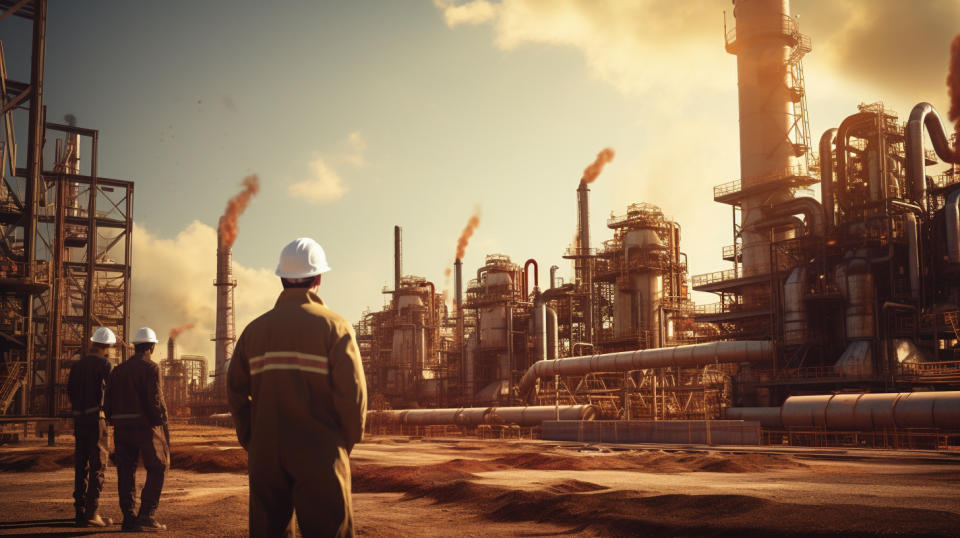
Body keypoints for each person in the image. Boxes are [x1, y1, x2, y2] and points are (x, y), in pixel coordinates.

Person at [228, 237, 367, 537]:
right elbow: (353, 396)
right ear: (319, 277)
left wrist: (253, 438)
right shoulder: (335, 327)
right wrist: (344, 443)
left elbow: (236, 391)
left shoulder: (254, 331)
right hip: (321, 450)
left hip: (266, 451)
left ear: (281, 279)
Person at [104, 326, 169, 532]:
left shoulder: (118, 370)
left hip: (122, 429)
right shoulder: (151, 368)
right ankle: (147, 514)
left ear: (135, 346)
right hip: (146, 427)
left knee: (126, 471)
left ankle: (128, 517)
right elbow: (155, 400)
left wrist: (114, 421)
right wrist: (160, 421)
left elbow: (108, 402)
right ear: (150, 346)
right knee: (158, 467)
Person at [66, 327, 115, 527]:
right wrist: (110, 417)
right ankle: (93, 512)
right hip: (96, 420)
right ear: (107, 346)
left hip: (79, 420)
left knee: (81, 465)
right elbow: (110, 394)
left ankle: (80, 510)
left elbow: (69, 391)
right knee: (98, 466)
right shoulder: (105, 365)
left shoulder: (77, 366)